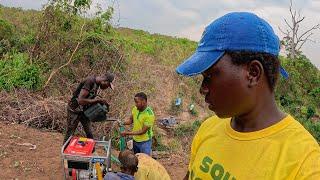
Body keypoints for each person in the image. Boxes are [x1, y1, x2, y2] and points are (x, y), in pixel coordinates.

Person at [175, 12, 320, 180]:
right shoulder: (209, 128)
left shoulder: (303, 163)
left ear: (253, 73)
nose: (203, 89)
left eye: (209, 76)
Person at [63, 72, 115, 143]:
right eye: (108, 85)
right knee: (70, 133)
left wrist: (100, 102)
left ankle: (91, 151)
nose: (106, 87)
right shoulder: (90, 81)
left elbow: (89, 98)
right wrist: (97, 100)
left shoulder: (96, 84)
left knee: (89, 133)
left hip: (83, 111)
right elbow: (81, 100)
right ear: (105, 80)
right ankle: (65, 152)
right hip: (74, 110)